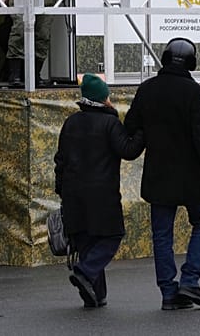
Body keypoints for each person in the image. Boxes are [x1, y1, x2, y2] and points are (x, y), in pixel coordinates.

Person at [123, 37, 200, 310]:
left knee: (162, 234)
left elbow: (131, 126)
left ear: (165, 58)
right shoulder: (193, 92)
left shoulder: (147, 89)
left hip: (158, 174)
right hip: (191, 175)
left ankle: (169, 293)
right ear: (191, 63)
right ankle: (190, 280)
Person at [54, 73, 145, 308]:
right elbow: (128, 150)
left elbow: (60, 160)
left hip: (73, 192)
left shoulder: (71, 122)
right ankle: (84, 272)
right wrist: (143, 132)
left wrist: (61, 189)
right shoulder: (109, 123)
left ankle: (95, 294)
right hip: (102, 193)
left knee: (87, 242)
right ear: (103, 99)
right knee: (112, 236)